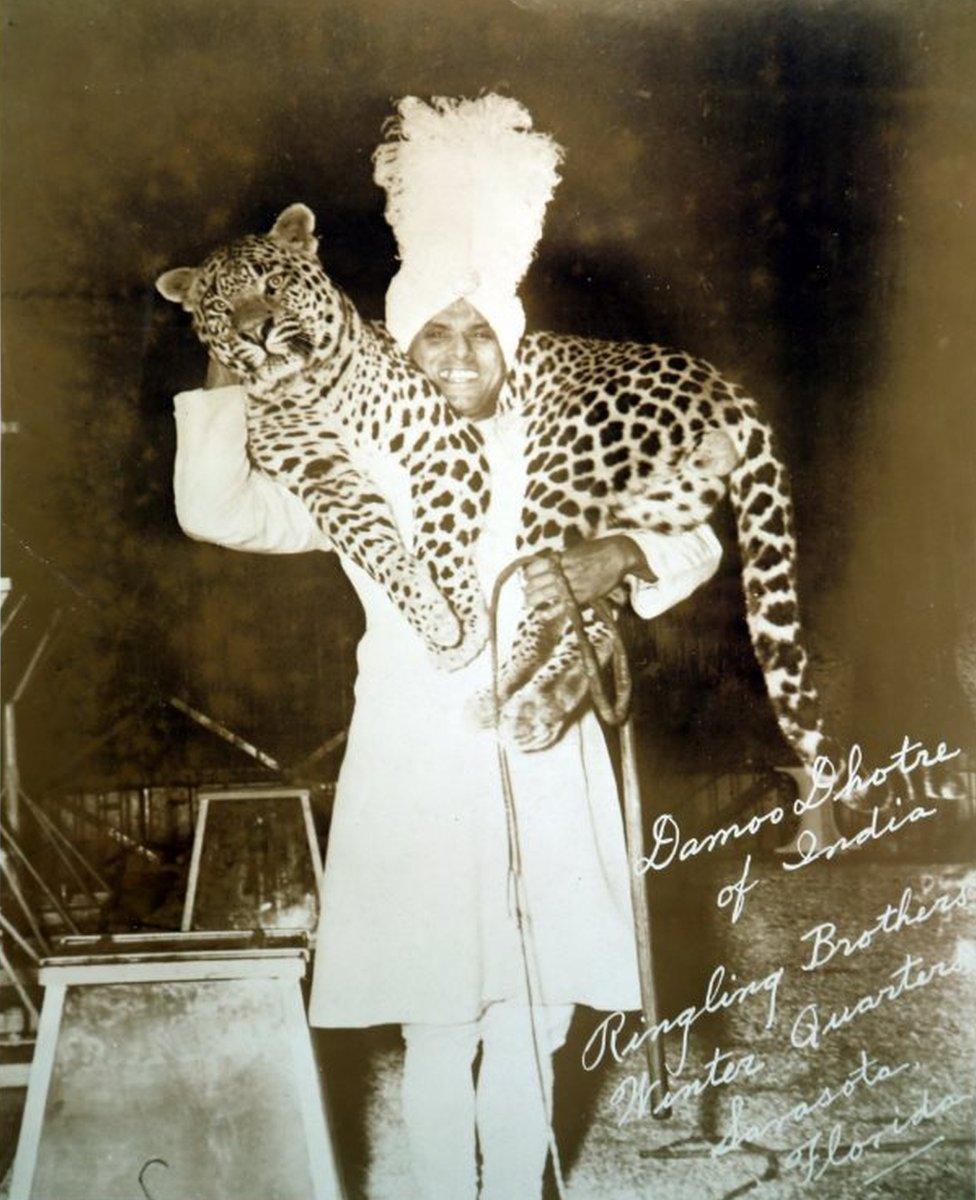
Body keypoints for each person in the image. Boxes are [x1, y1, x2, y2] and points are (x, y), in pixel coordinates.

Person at [172, 95, 722, 1200]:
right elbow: (219, 511)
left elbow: (694, 534)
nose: (460, 350)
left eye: (482, 331)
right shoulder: (355, 463)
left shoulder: (564, 441)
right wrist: (236, 355)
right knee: (436, 1015)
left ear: (508, 346)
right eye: (434, 331)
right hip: (414, 758)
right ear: (397, 345)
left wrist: (615, 553)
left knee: (531, 1012)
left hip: (542, 747)